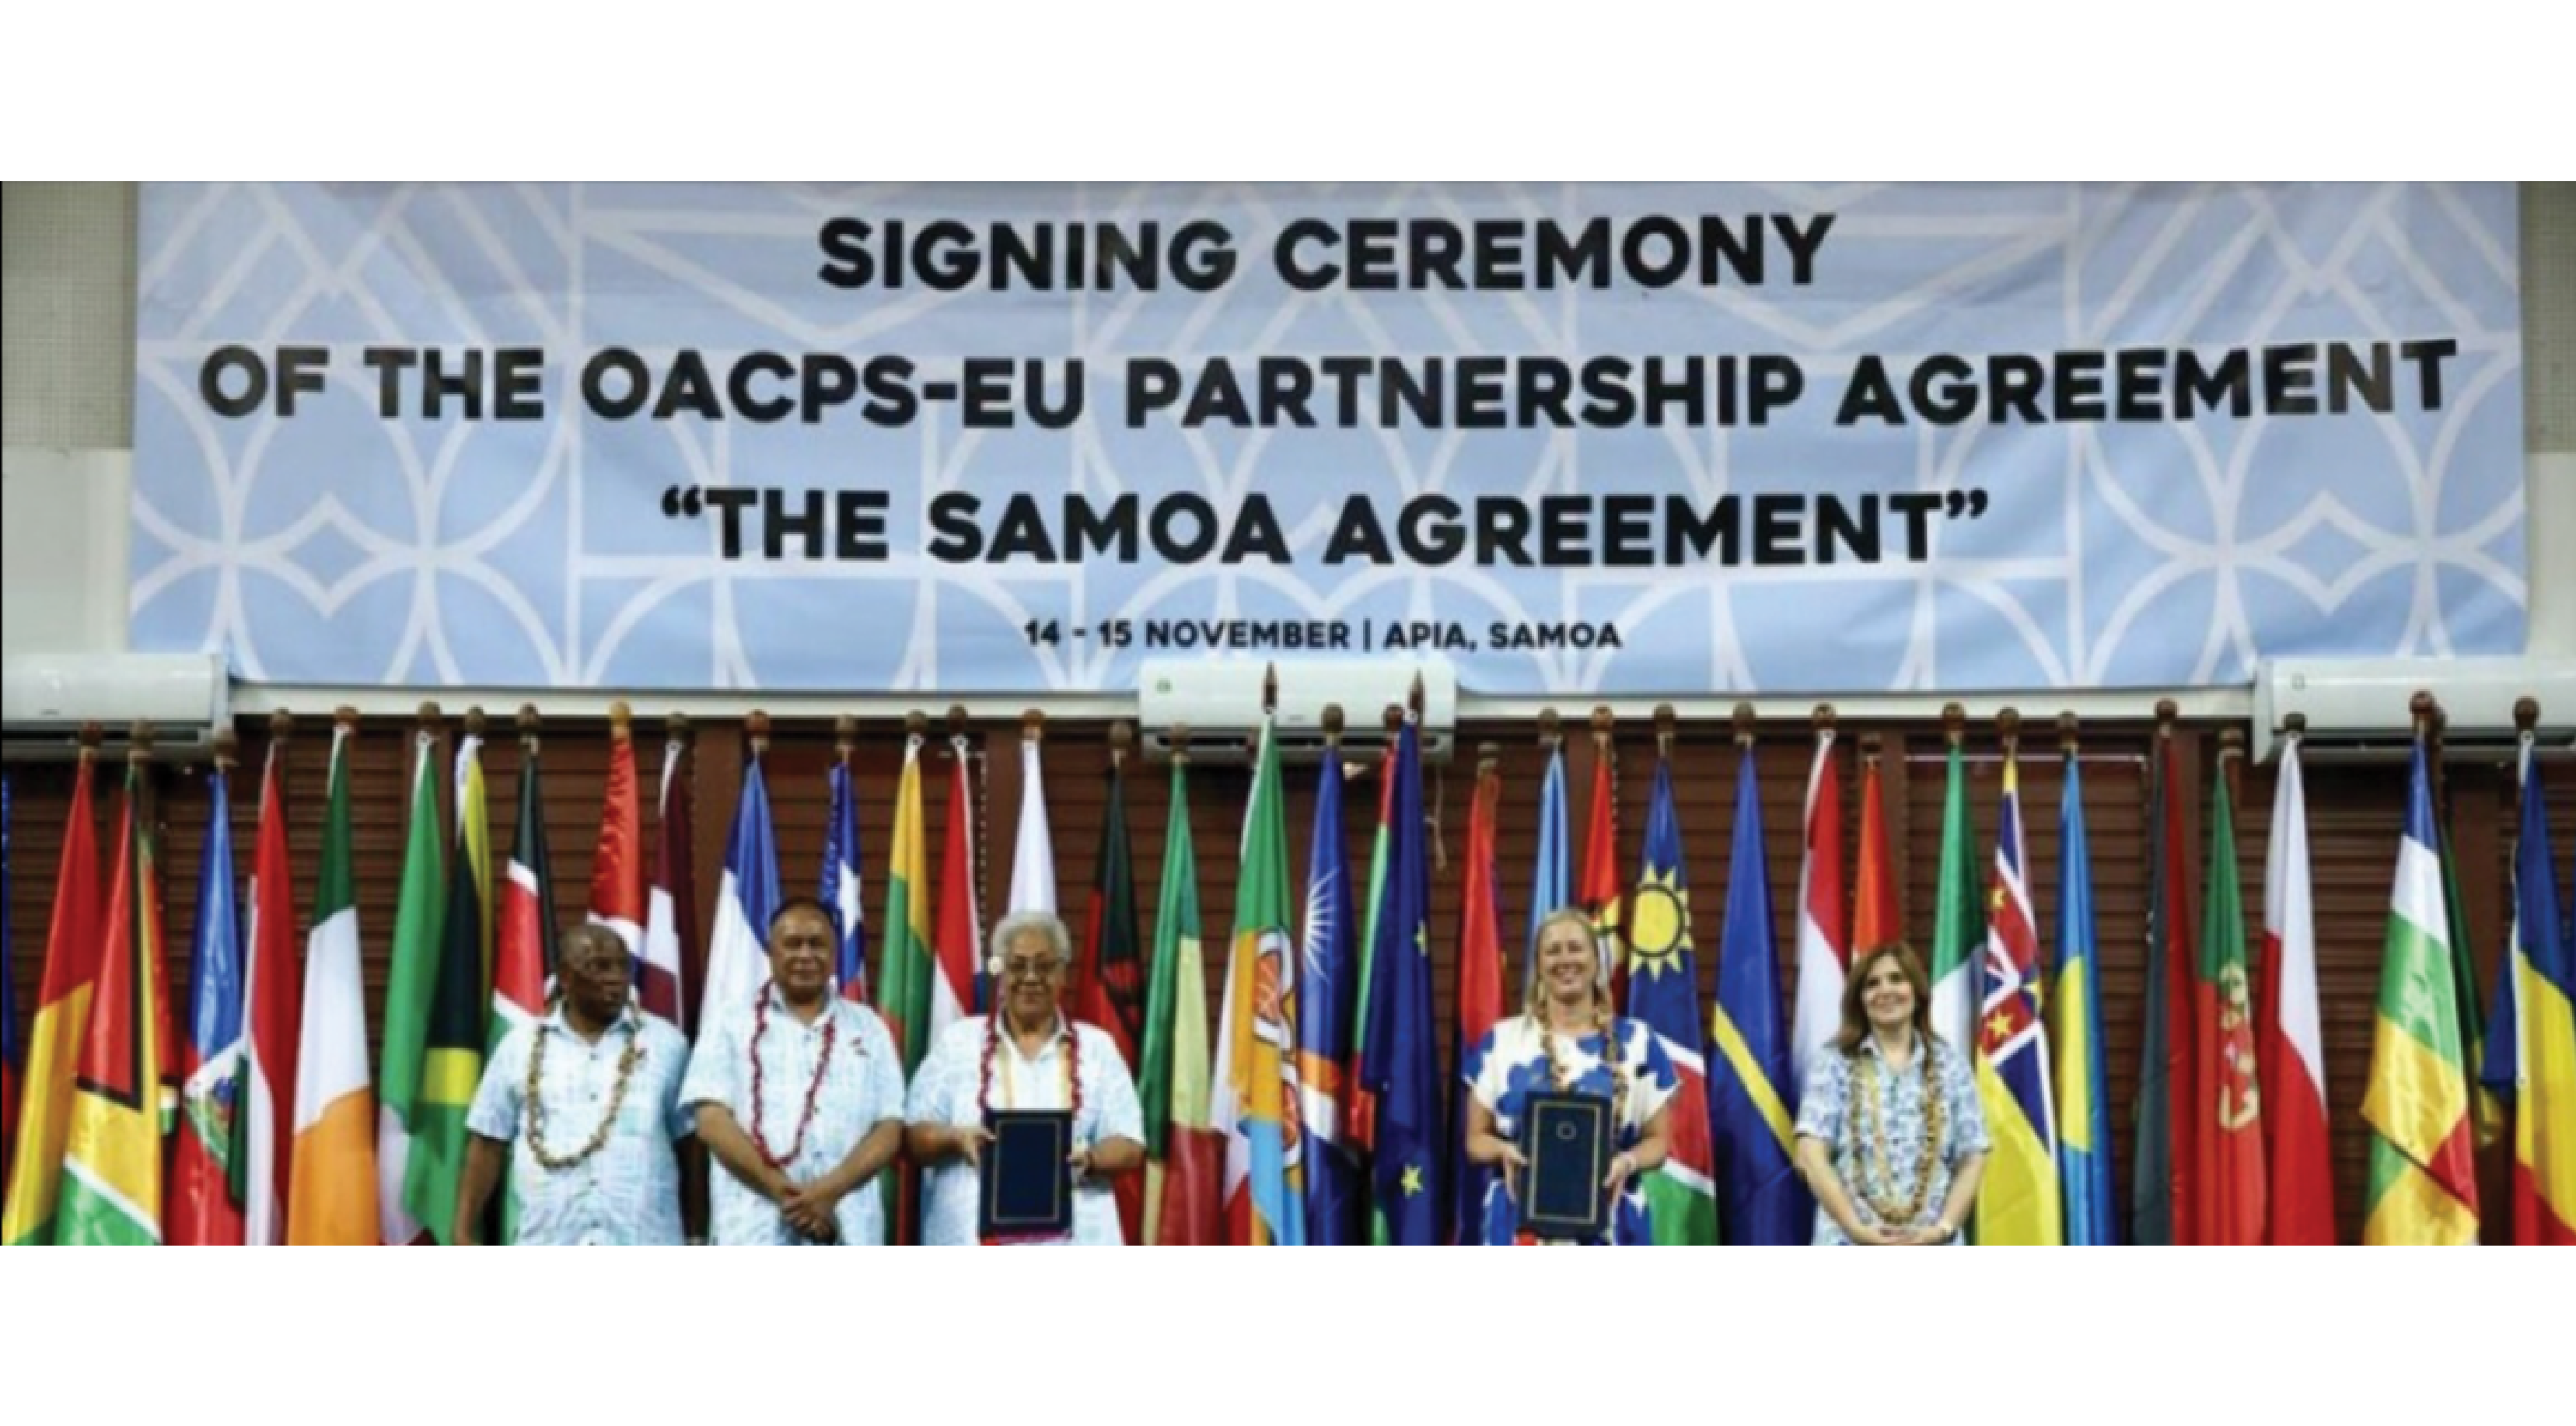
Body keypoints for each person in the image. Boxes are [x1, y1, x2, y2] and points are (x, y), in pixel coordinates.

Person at [904, 912, 1145, 1246]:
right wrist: (956, 1138)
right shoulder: (957, 1042)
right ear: (1000, 972)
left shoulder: (1098, 1048)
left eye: (1044, 966)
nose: (1031, 978)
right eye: (1017, 966)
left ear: (1063, 974)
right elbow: (913, 1136)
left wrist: (1090, 1160)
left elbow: (1130, 1143)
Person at [682, 897, 906, 1246]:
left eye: (817, 944)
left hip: (849, 1229)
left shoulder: (870, 1028)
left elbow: (890, 1128)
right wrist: (786, 1194)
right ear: (771, 952)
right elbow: (711, 1121)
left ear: (834, 955)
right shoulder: (728, 1022)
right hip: (752, 1231)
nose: (805, 955)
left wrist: (830, 1192)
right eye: (792, 944)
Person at [456, 924, 692, 1246]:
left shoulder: (667, 1044)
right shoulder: (519, 1046)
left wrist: (697, 1233)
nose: (616, 978)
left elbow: (691, 1145)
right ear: (565, 978)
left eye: (623, 966)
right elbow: (487, 1142)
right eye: (599, 966)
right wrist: (463, 1232)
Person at [1461, 907, 1676, 1245]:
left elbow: (1659, 1142)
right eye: (1553, 951)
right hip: (1520, 1227)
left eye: (1576, 948)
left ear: (1596, 961)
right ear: (1538, 966)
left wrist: (1627, 1161)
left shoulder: (1639, 1043)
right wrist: (1504, 1152)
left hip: (1612, 1226)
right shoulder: (1501, 1042)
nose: (1565, 960)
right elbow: (1475, 1141)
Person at [1791, 944, 1991, 1246]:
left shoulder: (1951, 1064)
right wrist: (1856, 1229)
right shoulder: (1833, 1062)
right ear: (1860, 1000)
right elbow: (1810, 1154)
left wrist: (1943, 1229)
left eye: (1897, 979)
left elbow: (1973, 1155)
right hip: (1848, 1242)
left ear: (1917, 992)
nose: (1885, 990)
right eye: (1872, 984)